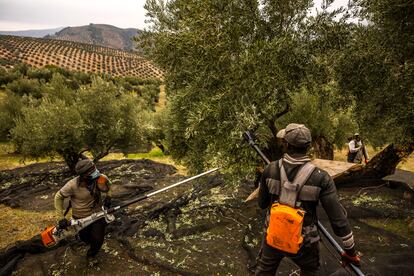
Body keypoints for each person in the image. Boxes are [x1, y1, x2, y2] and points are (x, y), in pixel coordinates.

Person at [255, 123, 360, 276]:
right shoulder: (321, 178)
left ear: (286, 145)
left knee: (264, 271)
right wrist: (350, 252)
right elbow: (339, 222)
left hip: (274, 236)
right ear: (308, 146)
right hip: (304, 243)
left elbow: (262, 204)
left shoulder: (270, 169)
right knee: (310, 270)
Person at [54, 159, 112, 259]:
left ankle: (91, 255)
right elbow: (58, 197)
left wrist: (108, 196)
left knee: (98, 239)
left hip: (97, 215)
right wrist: (60, 217)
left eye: (94, 168)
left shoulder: (101, 178)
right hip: (80, 218)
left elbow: (109, 185)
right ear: (83, 175)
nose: (95, 172)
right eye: (91, 171)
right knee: (85, 238)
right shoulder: (72, 185)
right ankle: (89, 241)